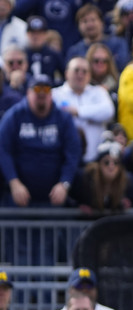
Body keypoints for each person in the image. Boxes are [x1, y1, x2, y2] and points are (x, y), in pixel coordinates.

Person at [0, 73, 81, 209]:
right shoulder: (15, 116)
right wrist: (13, 181)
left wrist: (64, 183)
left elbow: (73, 153)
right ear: (28, 92)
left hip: (53, 199)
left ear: (51, 94)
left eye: (46, 90)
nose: (41, 93)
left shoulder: (63, 119)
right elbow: (3, 149)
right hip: (18, 200)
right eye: (37, 89)